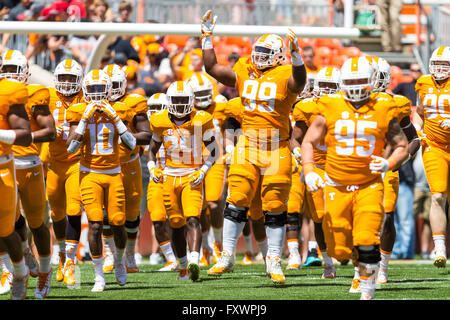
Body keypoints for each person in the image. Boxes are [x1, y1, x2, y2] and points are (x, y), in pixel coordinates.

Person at [201, 10, 307, 284]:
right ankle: (227, 256)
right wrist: (207, 38)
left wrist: (297, 57)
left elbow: (300, 82)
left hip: (276, 146)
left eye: (265, 51)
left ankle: (273, 258)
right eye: (257, 50)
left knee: (274, 205)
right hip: (247, 144)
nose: (259, 55)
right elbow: (212, 68)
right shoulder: (244, 71)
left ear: (278, 55)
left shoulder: (286, 74)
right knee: (236, 199)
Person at [301, 56, 409, 300]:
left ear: (372, 81)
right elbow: (308, 141)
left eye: (361, 81)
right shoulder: (330, 106)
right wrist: (308, 171)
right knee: (339, 249)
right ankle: (356, 269)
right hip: (336, 185)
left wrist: (389, 162)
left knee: (366, 238)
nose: (356, 87)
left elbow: (402, 145)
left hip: (369, 184)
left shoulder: (383, 106)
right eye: (351, 81)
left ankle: (367, 291)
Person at [66, 69, 136, 292]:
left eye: (100, 89)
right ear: (85, 90)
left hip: (114, 172)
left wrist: (115, 118)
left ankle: (118, 261)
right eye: (92, 89)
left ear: (108, 90)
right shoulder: (78, 111)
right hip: (89, 173)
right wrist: (85, 119)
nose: (96, 94)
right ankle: (99, 276)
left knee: (117, 222)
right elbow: (70, 147)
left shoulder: (119, 109)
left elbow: (132, 144)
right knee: (95, 224)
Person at [147, 81, 219, 281]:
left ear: (191, 101)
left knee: (193, 218)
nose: (179, 105)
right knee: (176, 223)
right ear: (169, 101)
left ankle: (194, 260)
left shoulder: (201, 119)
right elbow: (152, 150)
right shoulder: (160, 120)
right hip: (169, 176)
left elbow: (214, 151)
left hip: (192, 175)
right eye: (176, 101)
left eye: (183, 100)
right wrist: (152, 167)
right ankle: (182, 266)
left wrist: (203, 171)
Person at [0, 49, 56, 299]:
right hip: (8, 164)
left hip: (29, 165)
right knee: (7, 226)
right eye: (7, 70)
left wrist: (20, 138)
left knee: (38, 224)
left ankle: (44, 272)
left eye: (15, 71)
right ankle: (19, 261)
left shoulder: (33, 94)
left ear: (25, 73)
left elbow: (50, 131)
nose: (11, 75)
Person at [362, 57, 419, 286]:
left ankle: (382, 266)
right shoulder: (348, 103)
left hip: (387, 168)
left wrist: (398, 160)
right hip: (358, 167)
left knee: (387, 217)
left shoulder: (397, 103)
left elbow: (414, 138)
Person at [290, 66, 342, 277]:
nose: (327, 90)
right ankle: (328, 261)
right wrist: (297, 152)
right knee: (319, 218)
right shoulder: (307, 107)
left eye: (332, 87)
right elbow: (295, 137)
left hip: (343, 168)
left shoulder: (347, 107)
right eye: (324, 86)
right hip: (317, 168)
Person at [101, 64, 151, 274]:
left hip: (129, 162)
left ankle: (129, 254)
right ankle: (109, 253)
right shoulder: (94, 101)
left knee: (131, 213)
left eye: (115, 84)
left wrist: (126, 137)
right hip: (103, 163)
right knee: (104, 211)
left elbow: (146, 134)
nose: (111, 89)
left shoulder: (134, 102)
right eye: (108, 85)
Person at [46, 58, 85, 288]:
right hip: (54, 162)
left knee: (73, 209)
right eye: (64, 78)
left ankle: (71, 262)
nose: (68, 82)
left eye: (72, 78)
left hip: (76, 163)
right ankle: (62, 254)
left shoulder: (86, 97)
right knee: (56, 214)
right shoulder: (47, 96)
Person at [185, 73, 228, 267]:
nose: (203, 97)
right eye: (198, 93)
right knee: (199, 208)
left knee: (213, 202)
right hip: (192, 160)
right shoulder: (184, 107)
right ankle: (204, 249)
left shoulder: (220, 105)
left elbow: (230, 130)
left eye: (205, 92)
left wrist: (230, 150)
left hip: (215, 158)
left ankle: (217, 244)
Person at [413, 46, 450, 269]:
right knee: (437, 196)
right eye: (437, 64)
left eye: (445, 65)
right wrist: (419, 130)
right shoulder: (423, 83)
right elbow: (419, 111)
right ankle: (439, 248)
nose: (440, 69)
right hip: (435, 146)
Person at [0, 53, 32, 300]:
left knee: (5, 229)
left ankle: (20, 272)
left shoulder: (9, 92)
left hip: (3, 164)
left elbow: (24, 134)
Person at [145, 92, 178, 271]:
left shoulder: (176, 126)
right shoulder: (146, 128)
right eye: (153, 109)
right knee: (157, 219)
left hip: (178, 175)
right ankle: (171, 259)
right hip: (157, 176)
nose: (155, 112)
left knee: (178, 220)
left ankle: (183, 256)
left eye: (159, 108)